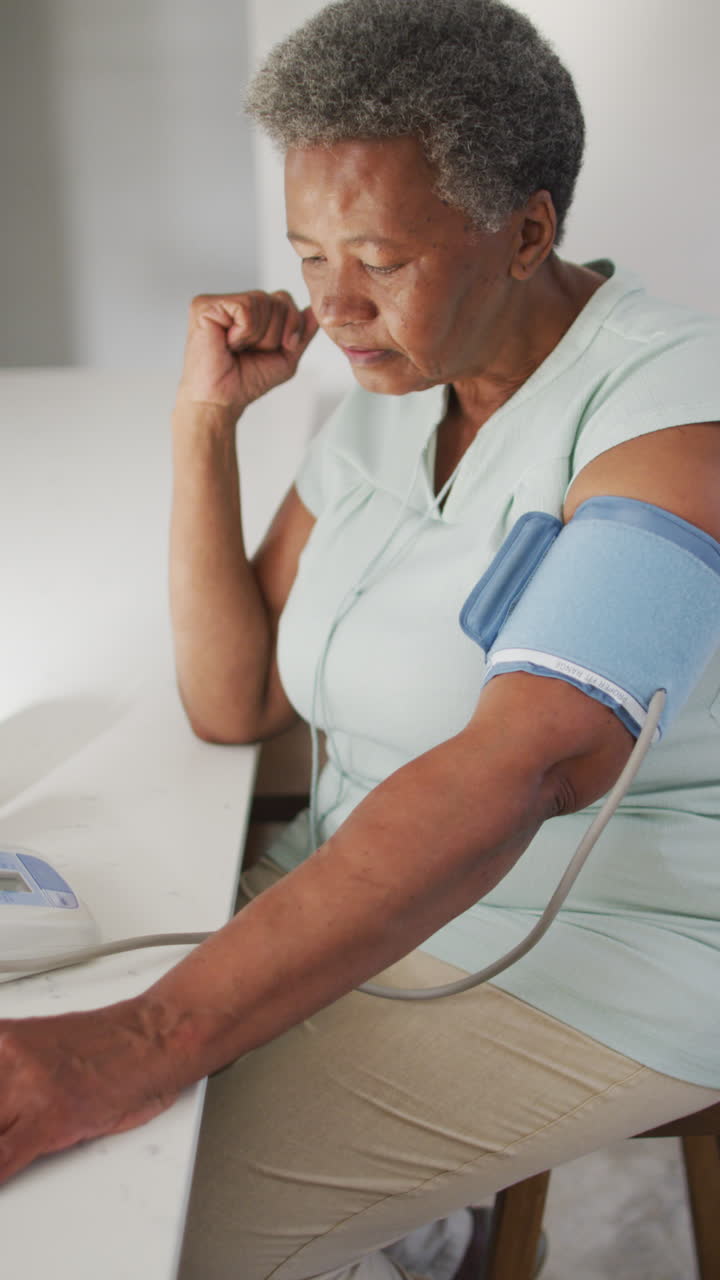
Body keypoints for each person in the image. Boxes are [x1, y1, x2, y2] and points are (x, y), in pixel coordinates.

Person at [1, 1, 719, 1277]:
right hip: (361, 888)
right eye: (307, 252)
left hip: (603, 950)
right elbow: (237, 699)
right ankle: (416, 1235)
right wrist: (202, 428)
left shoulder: (674, 417)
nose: (331, 303)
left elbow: (534, 763)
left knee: (115, 1232)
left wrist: (146, 1036)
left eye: (379, 256)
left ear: (529, 231)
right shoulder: (393, 393)